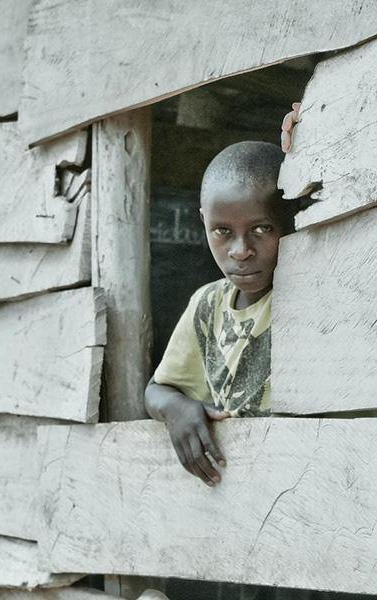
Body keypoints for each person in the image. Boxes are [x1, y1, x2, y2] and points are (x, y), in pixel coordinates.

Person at [144, 140, 295, 487]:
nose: (241, 251)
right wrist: (175, 409)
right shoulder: (207, 305)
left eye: (262, 229)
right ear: (203, 221)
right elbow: (157, 390)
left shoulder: (314, 291)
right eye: (222, 232)